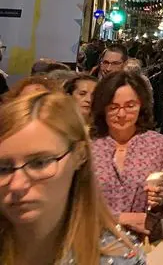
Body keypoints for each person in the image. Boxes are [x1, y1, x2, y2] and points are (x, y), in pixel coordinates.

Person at [0, 90, 147, 264]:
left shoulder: (120, 257)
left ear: (79, 155)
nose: (17, 184)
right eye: (3, 168)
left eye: (39, 163)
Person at [90, 71, 163, 241]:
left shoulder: (159, 144)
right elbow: (73, 205)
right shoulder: (87, 145)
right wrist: (120, 218)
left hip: (145, 245)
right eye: (113, 107)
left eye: (130, 106)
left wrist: (159, 203)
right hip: (95, 243)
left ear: (141, 106)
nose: (121, 114)